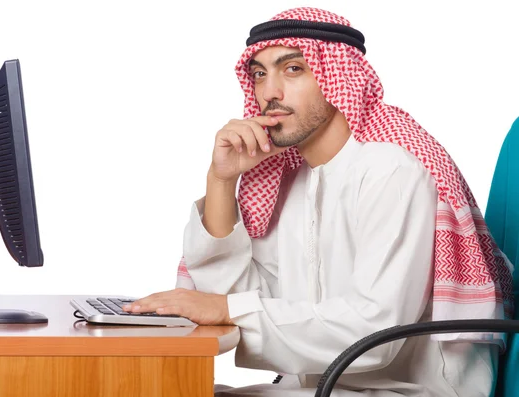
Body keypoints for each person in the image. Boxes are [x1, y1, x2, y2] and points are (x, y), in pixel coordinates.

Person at [122, 7, 514, 396]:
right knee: (154, 389)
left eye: (293, 69)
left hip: (408, 389)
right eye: (259, 73)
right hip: (324, 385)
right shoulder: (292, 181)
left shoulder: (390, 169)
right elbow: (231, 298)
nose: (269, 92)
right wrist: (222, 180)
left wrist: (228, 311)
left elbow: (375, 332)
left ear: (337, 77)